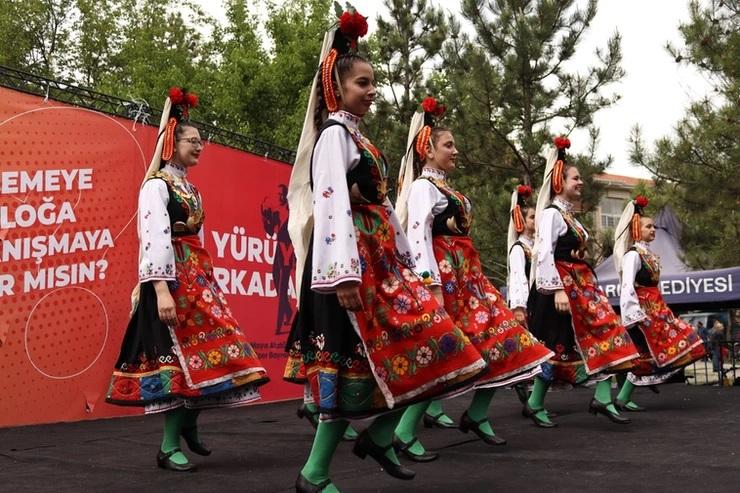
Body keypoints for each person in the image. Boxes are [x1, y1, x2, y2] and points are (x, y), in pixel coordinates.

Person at [283, 11, 485, 493]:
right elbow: (330, 203)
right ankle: (315, 473)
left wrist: (408, 264)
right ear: (336, 88)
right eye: (363, 83)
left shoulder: (358, 138)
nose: (373, 91)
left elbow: (383, 208)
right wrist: (343, 276)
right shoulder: (334, 136)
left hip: (382, 264)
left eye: (374, 82)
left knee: (435, 347)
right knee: (352, 370)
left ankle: (377, 437)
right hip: (352, 267)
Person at [106, 87, 268, 472]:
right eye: (191, 141)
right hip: (172, 282)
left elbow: (200, 240)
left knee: (216, 354)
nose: (199, 147)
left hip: (198, 280)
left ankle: (190, 423)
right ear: (171, 144)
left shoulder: (191, 189)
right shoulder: (156, 186)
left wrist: (209, 279)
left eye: (200, 142)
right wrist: (162, 290)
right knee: (179, 366)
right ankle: (167, 446)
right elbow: (154, 239)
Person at [391, 98, 552, 460]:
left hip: (470, 278)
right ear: (427, 150)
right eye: (448, 145)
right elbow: (417, 236)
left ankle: (477, 414)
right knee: (445, 353)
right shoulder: (423, 188)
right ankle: (402, 430)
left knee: (506, 341)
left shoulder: (448, 190)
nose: (455, 151)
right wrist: (430, 284)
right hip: (446, 280)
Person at [524, 136, 639, 427]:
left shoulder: (569, 216)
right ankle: (535, 402)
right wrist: (558, 290)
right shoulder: (551, 214)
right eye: (575, 178)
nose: (581, 182)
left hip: (581, 285)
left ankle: (601, 396)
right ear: (559, 181)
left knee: (603, 331)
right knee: (557, 345)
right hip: (562, 287)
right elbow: (545, 253)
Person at [612, 196, 706, 410]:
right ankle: (623, 397)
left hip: (657, 309)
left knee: (669, 344)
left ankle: (624, 397)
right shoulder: (632, 255)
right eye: (648, 226)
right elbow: (627, 286)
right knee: (646, 354)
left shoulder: (647, 254)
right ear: (637, 229)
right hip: (645, 312)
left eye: (653, 226)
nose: (653, 229)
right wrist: (633, 316)